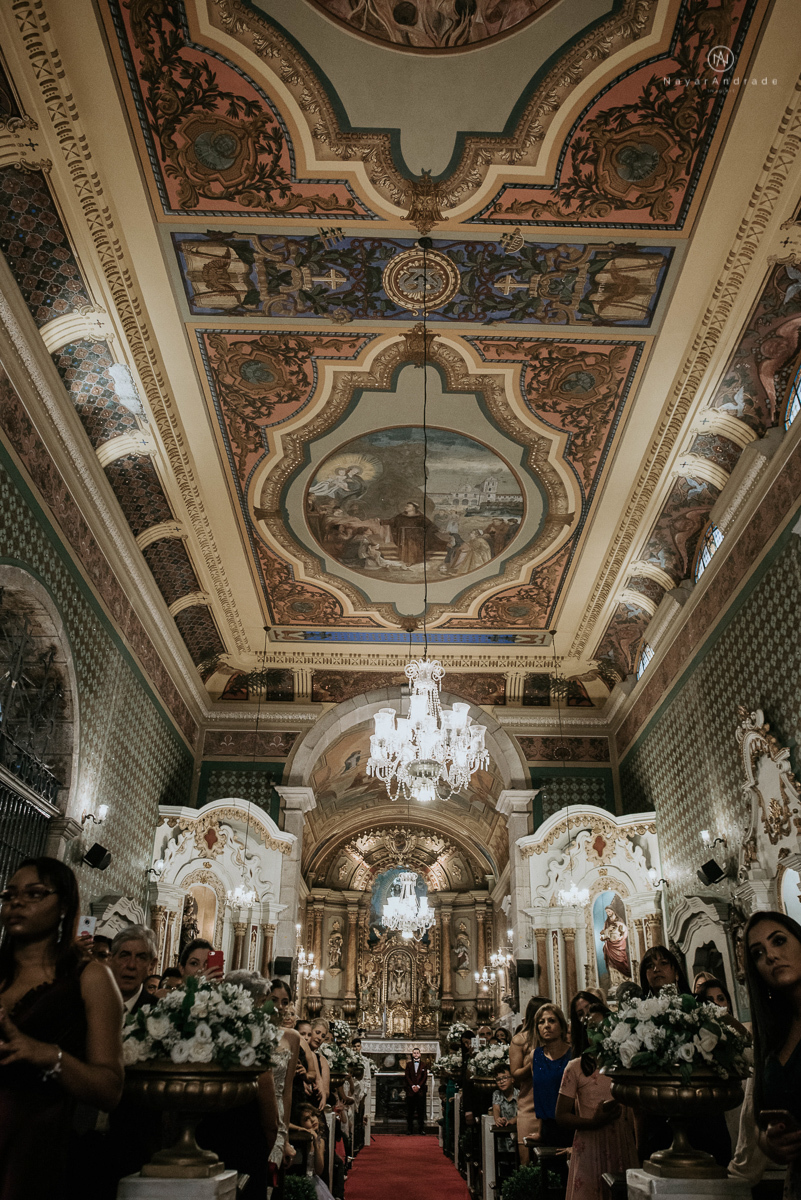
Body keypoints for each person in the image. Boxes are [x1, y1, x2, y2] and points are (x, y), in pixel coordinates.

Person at [0, 857, 124, 1200]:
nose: (17, 902)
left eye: (34, 893)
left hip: (32, 1149)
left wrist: (48, 1055)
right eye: (9, 895)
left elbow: (109, 1090)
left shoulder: (89, 977)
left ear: (64, 906)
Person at [638, 945, 729, 1166]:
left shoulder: (700, 1006)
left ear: (676, 972)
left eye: (663, 963)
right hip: (658, 1114)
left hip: (702, 1110)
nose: (656, 969)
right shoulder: (638, 1016)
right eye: (650, 966)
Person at [197, 971, 280, 1200]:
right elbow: (269, 1119)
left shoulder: (204, 1031)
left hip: (204, 1139)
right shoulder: (254, 1040)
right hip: (246, 1141)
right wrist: (263, 1149)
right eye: (263, 1002)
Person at [744, 910, 801, 1197]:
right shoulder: (775, 1034)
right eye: (758, 953)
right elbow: (762, 1117)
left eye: (778, 941)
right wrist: (769, 1142)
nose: (770, 956)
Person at [556, 1002, 638, 1200]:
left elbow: (637, 1111)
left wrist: (639, 1147)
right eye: (592, 1028)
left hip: (621, 1142)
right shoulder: (575, 1067)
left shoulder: (625, 1063)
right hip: (590, 1144)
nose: (598, 1033)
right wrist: (593, 1122)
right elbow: (561, 1115)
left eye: (603, 1027)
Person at [510, 995, 551, 1162]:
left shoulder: (553, 1038)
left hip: (551, 1105)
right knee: (527, 1161)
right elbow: (515, 1075)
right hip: (529, 1103)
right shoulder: (520, 1040)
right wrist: (534, 1062)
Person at [530, 1004, 572, 1148]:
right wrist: (540, 1132)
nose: (546, 1026)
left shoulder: (573, 1054)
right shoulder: (535, 1055)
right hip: (547, 1127)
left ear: (562, 1026)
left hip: (571, 1125)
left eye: (552, 1021)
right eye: (541, 1022)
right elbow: (539, 1093)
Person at [108, 926, 157, 1013]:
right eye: (125, 956)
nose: (131, 965)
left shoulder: (159, 1011)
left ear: (151, 965)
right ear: (110, 960)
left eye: (140, 958)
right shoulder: (89, 1004)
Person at [491, 1062, 518, 1152]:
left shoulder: (519, 1094)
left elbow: (522, 1113)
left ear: (512, 1079)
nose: (501, 1081)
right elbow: (496, 1109)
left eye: (505, 1078)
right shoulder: (497, 1094)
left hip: (517, 1130)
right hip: (503, 1133)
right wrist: (498, 1119)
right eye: (498, 1079)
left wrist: (510, 1121)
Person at [403, 1046, 428, 1135]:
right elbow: (407, 1076)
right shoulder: (409, 1064)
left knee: (421, 1111)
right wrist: (413, 1085)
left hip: (420, 1091)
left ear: (420, 1054)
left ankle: (421, 1129)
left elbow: (424, 1077)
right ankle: (410, 1129)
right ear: (412, 1054)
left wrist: (418, 1086)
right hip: (411, 1091)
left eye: (417, 1053)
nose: (416, 1054)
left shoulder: (424, 1064)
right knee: (410, 1111)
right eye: (414, 1053)